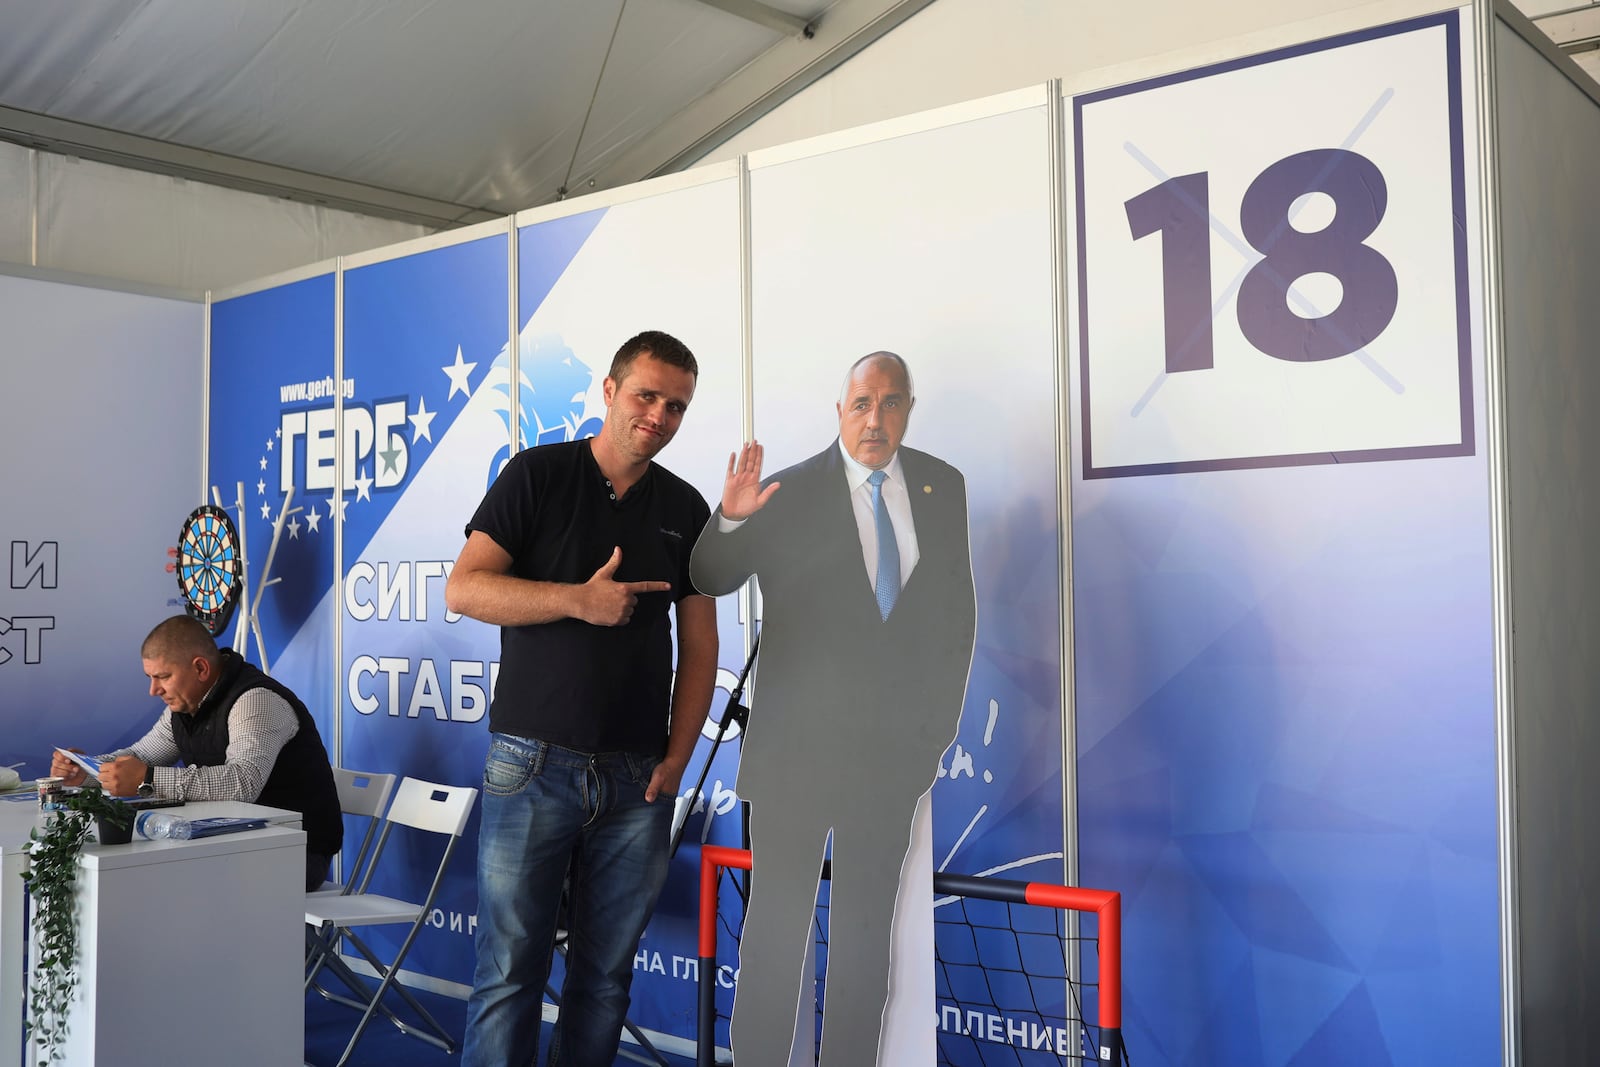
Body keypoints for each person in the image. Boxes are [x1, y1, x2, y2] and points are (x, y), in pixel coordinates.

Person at [689, 351, 976, 1066]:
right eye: (861, 403)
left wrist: (929, 742)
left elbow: (955, 620)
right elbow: (708, 574)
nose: (875, 418)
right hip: (793, 761)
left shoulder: (944, 486)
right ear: (840, 409)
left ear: (909, 407)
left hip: (890, 768)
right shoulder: (786, 489)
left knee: (863, 944)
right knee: (777, 938)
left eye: (890, 403)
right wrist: (729, 517)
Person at [447, 329, 719, 1067]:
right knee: (508, 975)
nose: (658, 414)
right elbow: (464, 586)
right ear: (608, 390)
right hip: (531, 764)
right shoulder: (536, 475)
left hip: (639, 780)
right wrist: (578, 600)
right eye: (646, 395)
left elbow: (701, 645)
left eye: (676, 405)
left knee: (604, 982)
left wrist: (678, 756)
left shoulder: (685, 507)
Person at [51, 614, 343, 892]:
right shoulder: (187, 704)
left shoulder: (256, 701)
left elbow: (242, 784)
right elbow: (142, 755)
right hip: (236, 842)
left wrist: (147, 779)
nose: (154, 690)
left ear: (201, 668)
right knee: (151, 874)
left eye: (163, 676)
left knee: (163, 880)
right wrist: (85, 771)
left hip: (296, 851)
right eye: (150, 677)